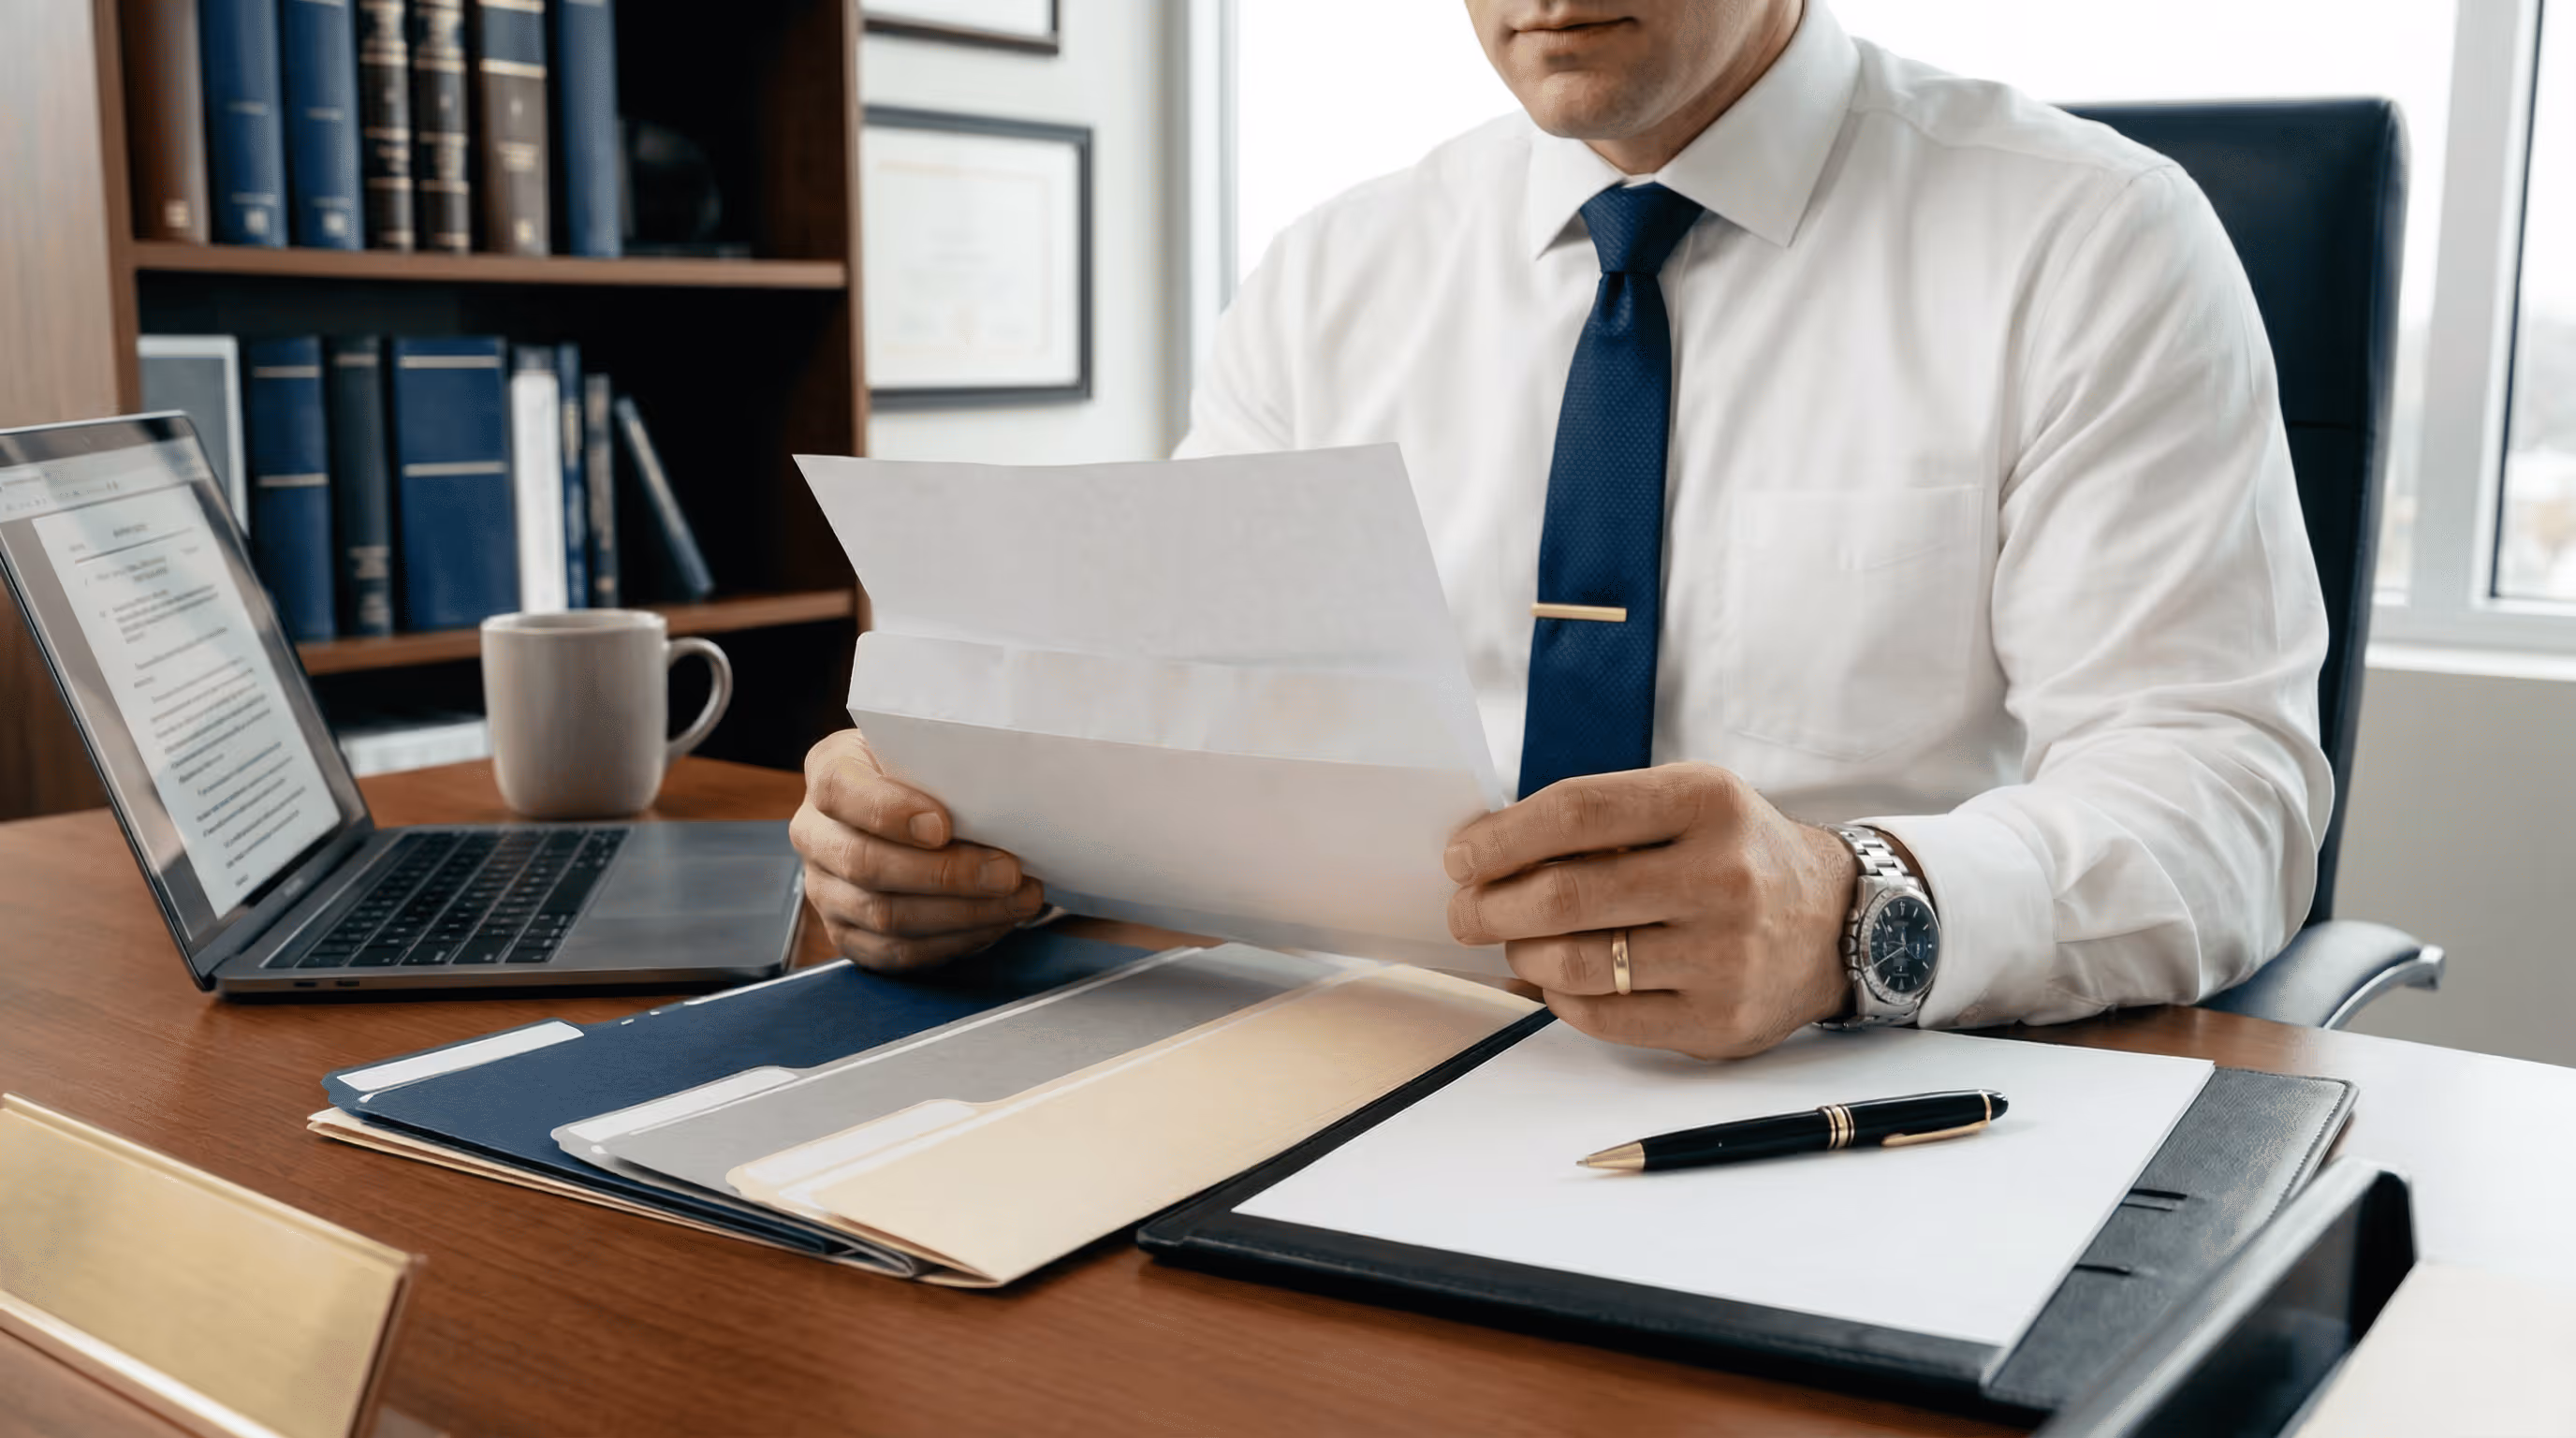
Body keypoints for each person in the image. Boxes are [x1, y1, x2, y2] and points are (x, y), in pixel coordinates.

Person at [791, 0, 2331, 1060]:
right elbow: (1182, 707)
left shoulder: (2090, 240)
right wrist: (967, 820)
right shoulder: (1333, 276)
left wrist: (1849, 910)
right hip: (1351, 1067)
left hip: (1842, 1101)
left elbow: (2228, 791)